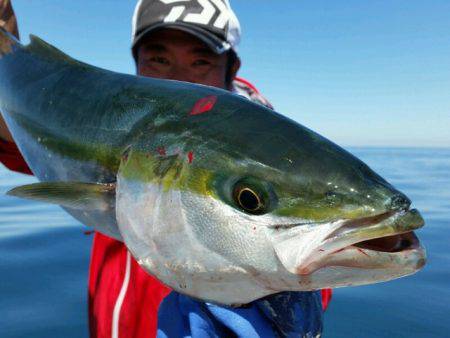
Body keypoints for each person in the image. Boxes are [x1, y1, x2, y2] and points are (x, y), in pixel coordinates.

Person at [0, 1, 332, 337]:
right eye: (159, 59)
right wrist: (4, 46)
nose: (178, 78)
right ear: (137, 63)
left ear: (232, 70)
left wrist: (292, 297)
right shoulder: (111, 125)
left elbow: (317, 257)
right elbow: (20, 139)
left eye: (200, 61)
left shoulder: (278, 160)